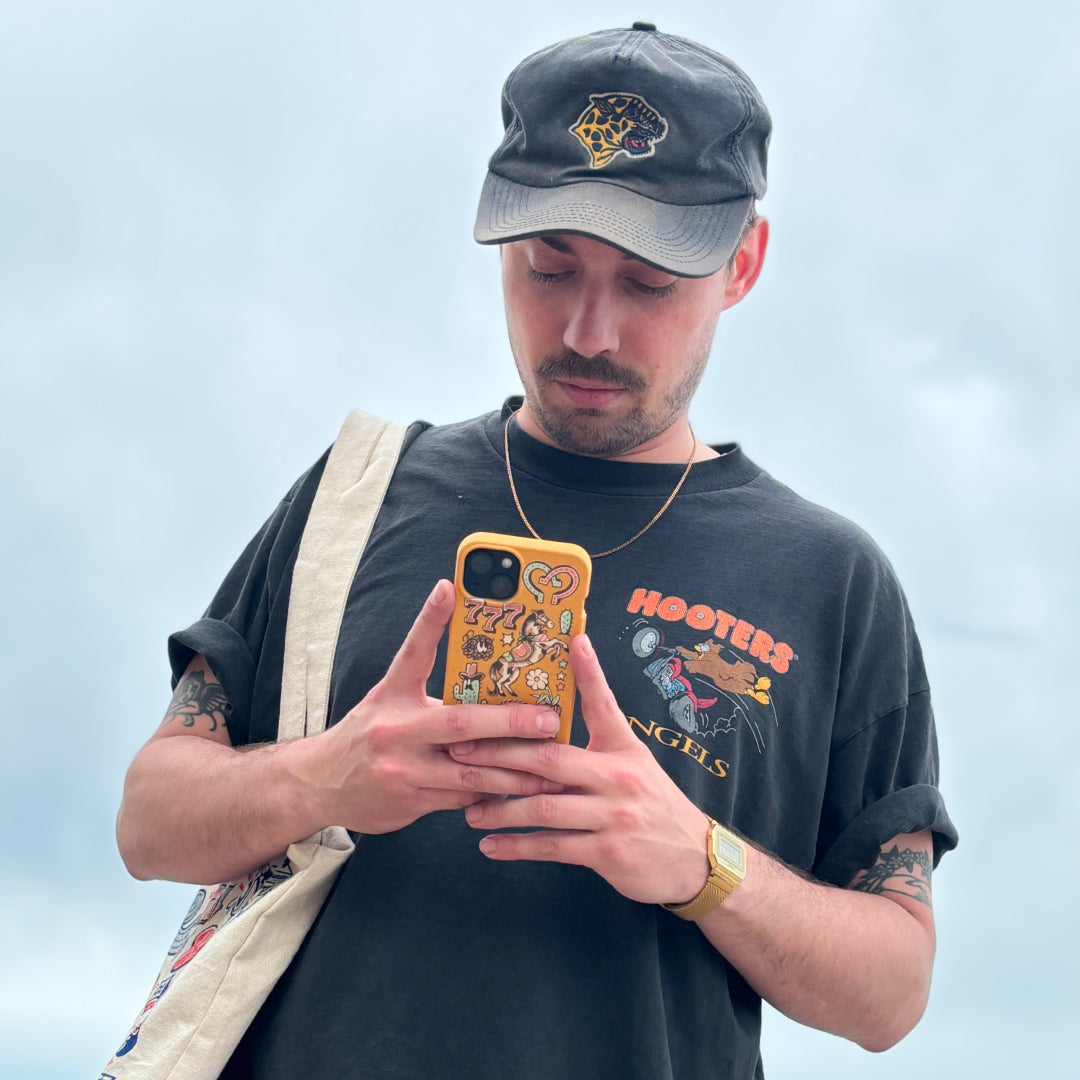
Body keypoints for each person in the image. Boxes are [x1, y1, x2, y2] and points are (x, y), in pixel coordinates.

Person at [117, 23, 957, 1080]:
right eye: (547, 269)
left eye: (649, 285)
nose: (590, 331)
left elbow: (893, 992)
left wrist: (697, 860)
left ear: (742, 263)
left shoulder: (832, 582)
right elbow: (151, 821)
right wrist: (324, 777)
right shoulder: (354, 496)